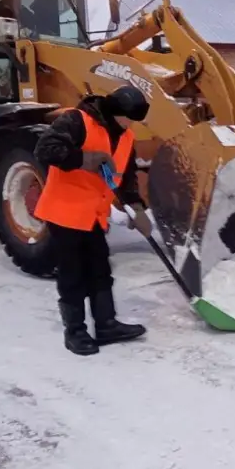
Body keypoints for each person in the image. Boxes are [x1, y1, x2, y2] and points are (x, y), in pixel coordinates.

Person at [33, 84, 156, 356]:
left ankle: (106, 325)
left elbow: (125, 177)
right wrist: (83, 159)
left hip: (94, 215)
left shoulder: (126, 136)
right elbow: (45, 149)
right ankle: (75, 332)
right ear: (115, 111)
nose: (130, 125)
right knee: (73, 274)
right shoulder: (77, 120)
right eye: (128, 118)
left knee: (100, 270)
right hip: (65, 212)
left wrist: (136, 208)